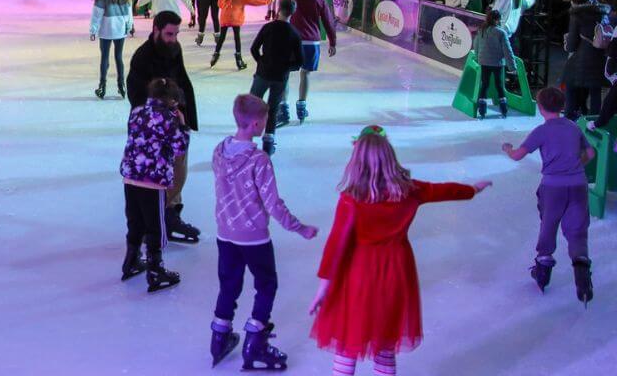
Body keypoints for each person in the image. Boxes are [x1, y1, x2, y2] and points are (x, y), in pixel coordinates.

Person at [309, 126, 490, 375]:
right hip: (396, 271)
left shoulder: (351, 199)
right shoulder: (410, 190)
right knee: (386, 339)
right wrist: (473, 189)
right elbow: (443, 190)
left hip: (358, 274)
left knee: (348, 340)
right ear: (390, 157)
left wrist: (324, 288)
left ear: (356, 162)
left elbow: (336, 243)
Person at [210, 94, 318, 368]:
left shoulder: (219, 151)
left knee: (229, 284)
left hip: (225, 233)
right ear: (257, 124)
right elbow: (272, 203)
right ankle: (255, 343)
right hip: (254, 238)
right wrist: (299, 228)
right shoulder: (259, 160)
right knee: (266, 284)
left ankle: (219, 337)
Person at [501, 86, 595, 303]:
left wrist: (507, 148)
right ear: (562, 106)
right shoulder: (573, 127)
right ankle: (581, 268)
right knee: (577, 230)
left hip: (553, 188)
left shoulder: (541, 131)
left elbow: (517, 156)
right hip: (578, 185)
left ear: (541, 108)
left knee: (549, 225)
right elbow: (590, 153)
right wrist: (573, 167)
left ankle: (543, 269)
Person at [126, 11, 200, 244]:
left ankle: (170, 216)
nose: (173, 38)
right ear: (156, 29)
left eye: (176, 34)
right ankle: (156, 225)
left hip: (176, 123)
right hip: (152, 132)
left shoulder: (174, 49)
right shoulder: (142, 57)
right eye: (169, 34)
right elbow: (136, 95)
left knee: (179, 173)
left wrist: (184, 116)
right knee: (156, 181)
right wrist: (160, 118)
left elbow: (183, 82)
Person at [119, 77, 190, 293]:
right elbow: (180, 147)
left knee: (135, 219)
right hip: (152, 180)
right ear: (171, 100)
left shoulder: (137, 111)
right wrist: (183, 124)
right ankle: (155, 268)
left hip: (131, 176)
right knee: (155, 225)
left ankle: (131, 259)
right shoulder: (169, 119)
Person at [279, 0, 336, 127]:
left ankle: (283, 107)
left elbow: (281, 16)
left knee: (285, 74)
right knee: (306, 74)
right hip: (312, 42)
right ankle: (302, 106)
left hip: (292, 41)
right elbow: (328, 21)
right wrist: (332, 41)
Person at [246, 0, 303, 156]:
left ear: (278, 9)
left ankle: (246, 138)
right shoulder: (294, 33)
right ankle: (268, 143)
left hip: (263, 74)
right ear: (293, 13)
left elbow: (254, 48)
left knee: (253, 104)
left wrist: (261, 62)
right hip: (280, 78)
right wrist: (285, 68)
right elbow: (299, 62)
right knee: (272, 109)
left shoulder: (268, 28)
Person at [561, 0, 610, 119]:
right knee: (595, 90)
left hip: (582, 57)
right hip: (600, 56)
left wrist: (569, 44)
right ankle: (594, 119)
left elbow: (572, 44)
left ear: (574, 3)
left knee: (570, 83)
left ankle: (570, 115)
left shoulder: (577, 15)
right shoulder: (603, 13)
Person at [90, 0, 135, 100]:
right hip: (120, 28)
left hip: (106, 28)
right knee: (118, 57)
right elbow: (129, 12)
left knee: (105, 57)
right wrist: (129, 25)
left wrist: (93, 29)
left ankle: (102, 86)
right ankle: (121, 85)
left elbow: (97, 13)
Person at [211, 0, 269, 70]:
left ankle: (215, 55)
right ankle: (239, 59)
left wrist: (226, 6)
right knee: (237, 38)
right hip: (236, 18)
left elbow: (219, 3)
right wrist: (267, 1)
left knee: (222, 37)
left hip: (225, 17)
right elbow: (254, 0)